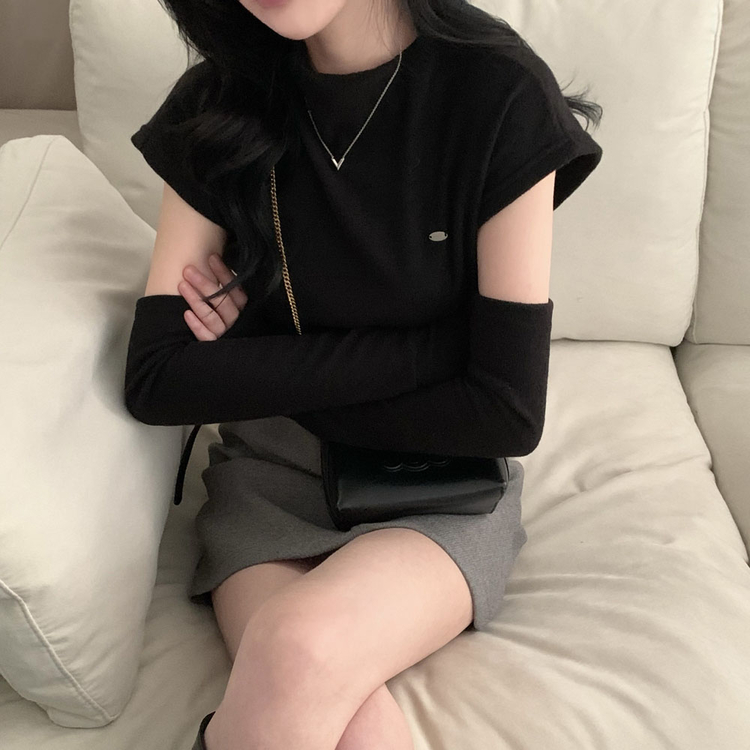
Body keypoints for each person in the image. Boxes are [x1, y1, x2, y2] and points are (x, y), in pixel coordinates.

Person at [124, 0, 604, 747]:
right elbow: (159, 378)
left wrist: (251, 353)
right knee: (361, 731)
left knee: (297, 648)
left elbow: (506, 413)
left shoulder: (499, 94)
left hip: (438, 485)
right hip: (271, 483)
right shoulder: (220, 102)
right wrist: (437, 351)